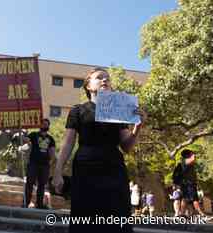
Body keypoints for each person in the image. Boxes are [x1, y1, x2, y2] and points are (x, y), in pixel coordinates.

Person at [53, 68, 146, 233]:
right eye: (99, 77)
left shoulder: (118, 110)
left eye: (107, 78)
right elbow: (68, 143)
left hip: (114, 170)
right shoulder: (78, 111)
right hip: (85, 169)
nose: (105, 80)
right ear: (88, 86)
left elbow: (127, 147)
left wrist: (138, 127)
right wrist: (58, 171)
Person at [24, 118, 56, 209]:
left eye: (46, 124)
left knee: (41, 186)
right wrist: (22, 132)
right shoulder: (34, 135)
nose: (45, 125)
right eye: (43, 124)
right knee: (29, 183)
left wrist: (51, 161)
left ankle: (39, 204)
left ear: (48, 126)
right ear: (40, 125)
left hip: (45, 165)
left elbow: (52, 152)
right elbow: (25, 140)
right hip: (33, 163)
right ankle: (26, 203)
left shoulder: (51, 139)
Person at [176, 149, 205, 216]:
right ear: (187, 155)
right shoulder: (185, 161)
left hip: (189, 183)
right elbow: (193, 159)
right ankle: (201, 214)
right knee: (194, 198)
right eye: (190, 154)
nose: (191, 155)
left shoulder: (187, 163)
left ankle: (182, 214)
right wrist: (193, 154)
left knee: (185, 198)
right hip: (188, 184)